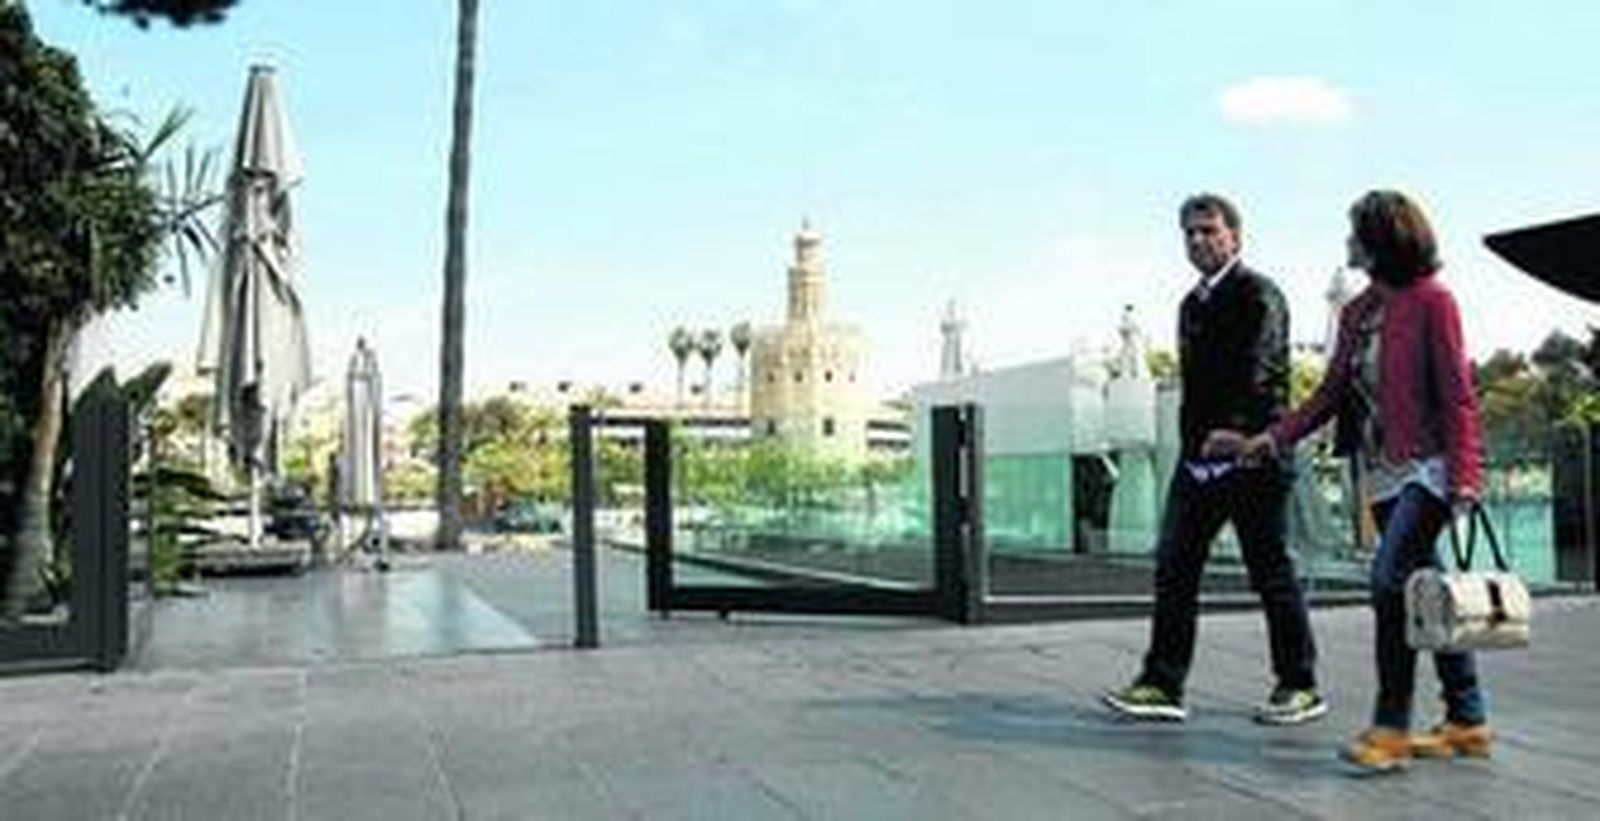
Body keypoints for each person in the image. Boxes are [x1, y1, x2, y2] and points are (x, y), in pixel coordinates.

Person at [1213, 189, 1490, 773]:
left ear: (1382, 239)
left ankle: (1390, 729)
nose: (1346, 242)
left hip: (1427, 468)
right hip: (1381, 471)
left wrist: (1466, 475)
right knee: (1427, 589)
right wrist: (1272, 439)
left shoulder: (1433, 301)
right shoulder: (1360, 312)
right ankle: (1467, 717)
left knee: (1390, 583)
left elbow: (1459, 394)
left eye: (1355, 232)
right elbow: (1331, 393)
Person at [1103, 194, 1325, 725]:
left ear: (1235, 237)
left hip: (1253, 458)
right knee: (1175, 568)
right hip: (1198, 462)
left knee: (1270, 570)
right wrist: (1195, 444)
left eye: (1209, 230)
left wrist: (1242, 434)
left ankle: (1300, 685)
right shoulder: (1190, 305)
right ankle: (1162, 684)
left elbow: (1265, 369)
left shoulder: (1259, 294)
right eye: (1190, 233)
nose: (1199, 240)